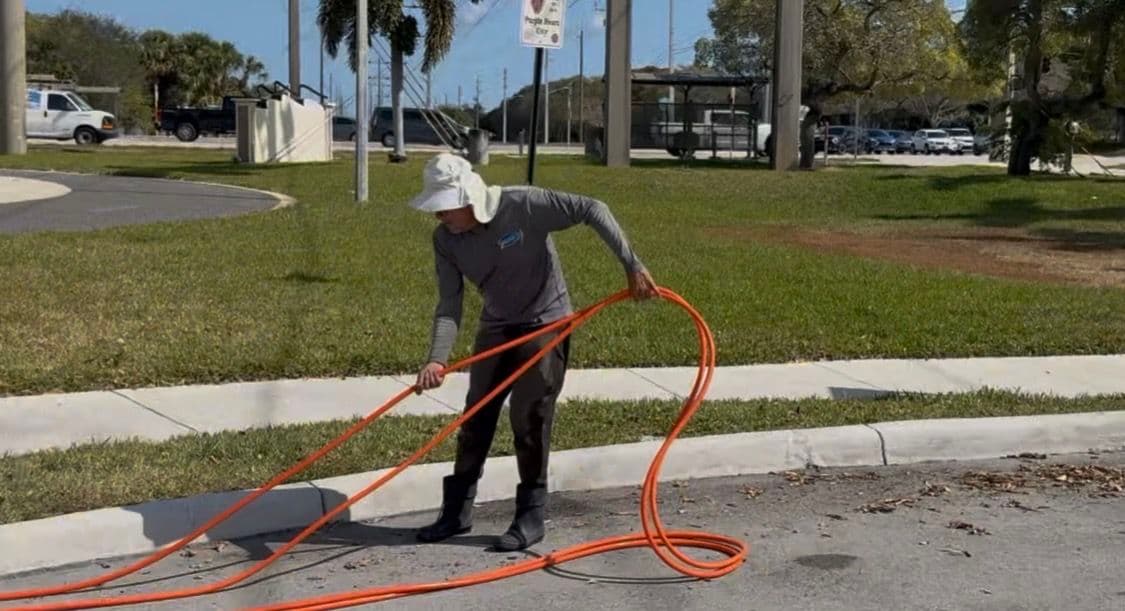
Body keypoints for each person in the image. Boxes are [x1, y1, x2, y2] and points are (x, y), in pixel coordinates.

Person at [408, 153, 657, 552]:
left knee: (529, 415)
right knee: (476, 417)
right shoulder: (446, 241)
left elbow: (593, 208)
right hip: (497, 326)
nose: (439, 216)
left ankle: (530, 515)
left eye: (445, 207)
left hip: (546, 322)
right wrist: (437, 358)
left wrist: (632, 264)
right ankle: (456, 513)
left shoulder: (523, 204)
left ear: (468, 197)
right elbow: (449, 303)